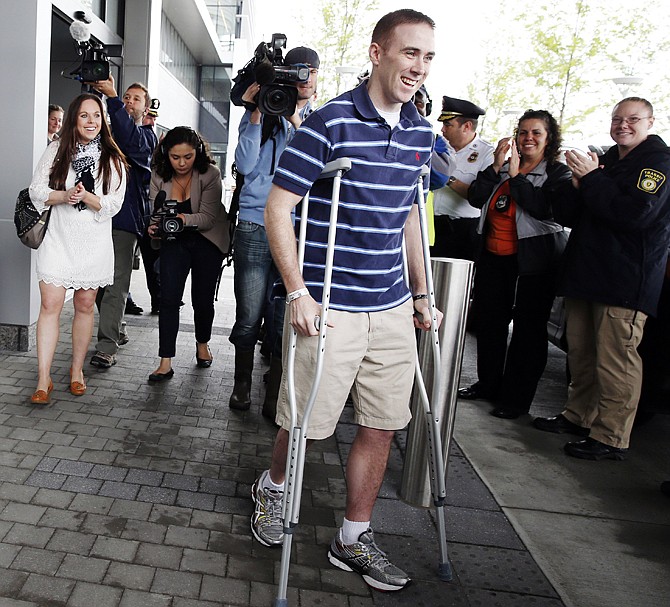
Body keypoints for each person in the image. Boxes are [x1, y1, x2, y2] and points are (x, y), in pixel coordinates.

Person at [252, 9, 441, 592]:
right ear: (378, 51)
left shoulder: (421, 134)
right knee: (305, 422)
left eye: (428, 57)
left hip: (388, 306)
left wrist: (421, 291)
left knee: (382, 425)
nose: (419, 67)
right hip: (329, 301)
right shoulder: (328, 123)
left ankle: (352, 537)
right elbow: (277, 209)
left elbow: (412, 213)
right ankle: (277, 486)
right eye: (410, 53)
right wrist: (298, 292)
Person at [533, 97, 670, 460]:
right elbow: (571, 214)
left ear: (650, 122)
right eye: (617, 119)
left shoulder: (658, 163)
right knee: (582, 354)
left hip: (624, 283)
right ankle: (579, 416)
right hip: (587, 275)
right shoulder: (608, 161)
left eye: (633, 119)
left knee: (616, 362)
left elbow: (634, 214)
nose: (623, 125)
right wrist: (574, 182)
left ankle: (610, 437)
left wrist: (592, 179)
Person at [458, 110, 571, 419]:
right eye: (523, 132)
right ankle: (488, 384)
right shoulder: (503, 169)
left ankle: (516, 400)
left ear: (549, 139)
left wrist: (517, 177)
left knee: (527, 332)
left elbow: (542, 207)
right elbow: (476, 198)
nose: (528, 138)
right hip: (494, 259)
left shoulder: (556, 173)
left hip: (533, 263)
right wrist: (496, 167)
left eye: (536, 133)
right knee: (489, 323)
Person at [228, 46, 319, 418]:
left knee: (283, 317)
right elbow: (245, 165)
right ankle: (241, 384)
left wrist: (297, 120)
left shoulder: (319, 120)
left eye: (310, 72)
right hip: (253, 223)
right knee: (249, 314)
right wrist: (255, 111)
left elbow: (318, 172)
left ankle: (276, 393)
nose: (305, 78)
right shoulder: (262, 112)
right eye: (298, 71)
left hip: (295, 228)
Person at [28, 93, 127, 404]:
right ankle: (44, 378)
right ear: (74, 119)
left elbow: (114, 204)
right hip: (59, 238)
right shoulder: (57, 149)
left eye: (96, 116)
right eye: (84, 116)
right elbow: (36, 190)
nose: (91, 122)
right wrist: (64, 195)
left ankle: (76, 372)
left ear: (103, 120)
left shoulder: (112, 157)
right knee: (50, 306)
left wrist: (86, 198)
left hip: (93, 242)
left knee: (85, 306)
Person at [147, 126, 229, 382]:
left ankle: (202, 344)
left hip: (207, 239)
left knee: (202, 299)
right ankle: (165, 361)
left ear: (198, 153)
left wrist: (181, 218)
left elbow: (207, 218)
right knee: (168, 299)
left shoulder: (210, 174)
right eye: (175, 157)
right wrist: (154, 226)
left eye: (188, 156)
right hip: (174, 240)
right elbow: (155, 211)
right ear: (166, 155)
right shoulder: (158, 175)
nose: (181, 163)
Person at [88, 77, 157, 369]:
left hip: (124, 220)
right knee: (94, 282)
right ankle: (117, 326)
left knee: (116, 283)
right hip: (92, 217)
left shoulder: (146, 137)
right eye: (126, 97)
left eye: (135, 99)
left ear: (146, 108)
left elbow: (129, 141)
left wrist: (113, 97)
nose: (129, 102)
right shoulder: (105, 135)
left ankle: (106, 347)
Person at [430, 96, 494, 260]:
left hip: (464, 230)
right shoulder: (439, 146)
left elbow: (478, 194)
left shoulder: (487, 153)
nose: (443, 129)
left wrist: (447, 179)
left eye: (448, 125)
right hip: (433, 225)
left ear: (467, 126)